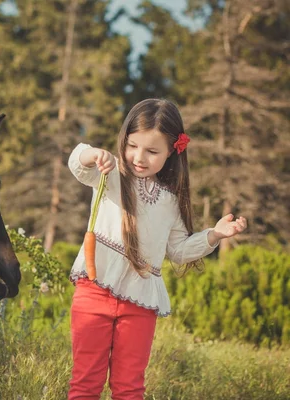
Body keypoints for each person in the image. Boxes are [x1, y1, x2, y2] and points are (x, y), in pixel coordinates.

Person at [67, 98, 247, 400]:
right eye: (133, 145)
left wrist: (214, 235)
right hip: (94, 291)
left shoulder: (171, 201)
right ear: (124, 140)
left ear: (171, 152)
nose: (139, 157)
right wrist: (93, 154)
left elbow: (178, 250)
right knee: (86, 383)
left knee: (129, 388)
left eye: (152, 151)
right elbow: (76, 163)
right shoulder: (109, 175)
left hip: (139, 303)